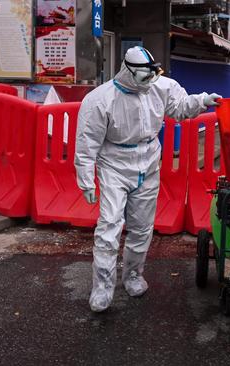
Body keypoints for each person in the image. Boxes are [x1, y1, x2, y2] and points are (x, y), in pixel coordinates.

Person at [75, 46, 221, 312]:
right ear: (128, 72)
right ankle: (102, 286)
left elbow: (179, 108)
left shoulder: (160, 86)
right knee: (109, 227)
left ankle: (133, 275)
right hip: (114, 165)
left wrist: (202, 101)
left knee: (142, 226)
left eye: (151, 77)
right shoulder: (100, 100)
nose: (148, 83)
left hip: (148, 161)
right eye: (143, 78)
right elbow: (87, 143)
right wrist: (86, 179)